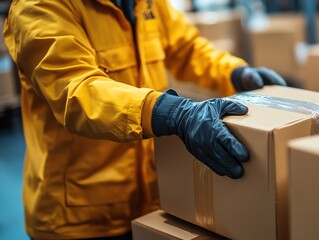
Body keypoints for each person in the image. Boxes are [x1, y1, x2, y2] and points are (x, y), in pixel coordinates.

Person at [3, 0, 286, 239]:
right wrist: (172, 112)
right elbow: (76, 91)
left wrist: (234, 73)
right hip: (79, 216)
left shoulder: (146, 2)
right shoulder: (39, 7)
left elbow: (187, 48)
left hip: (150, 199)